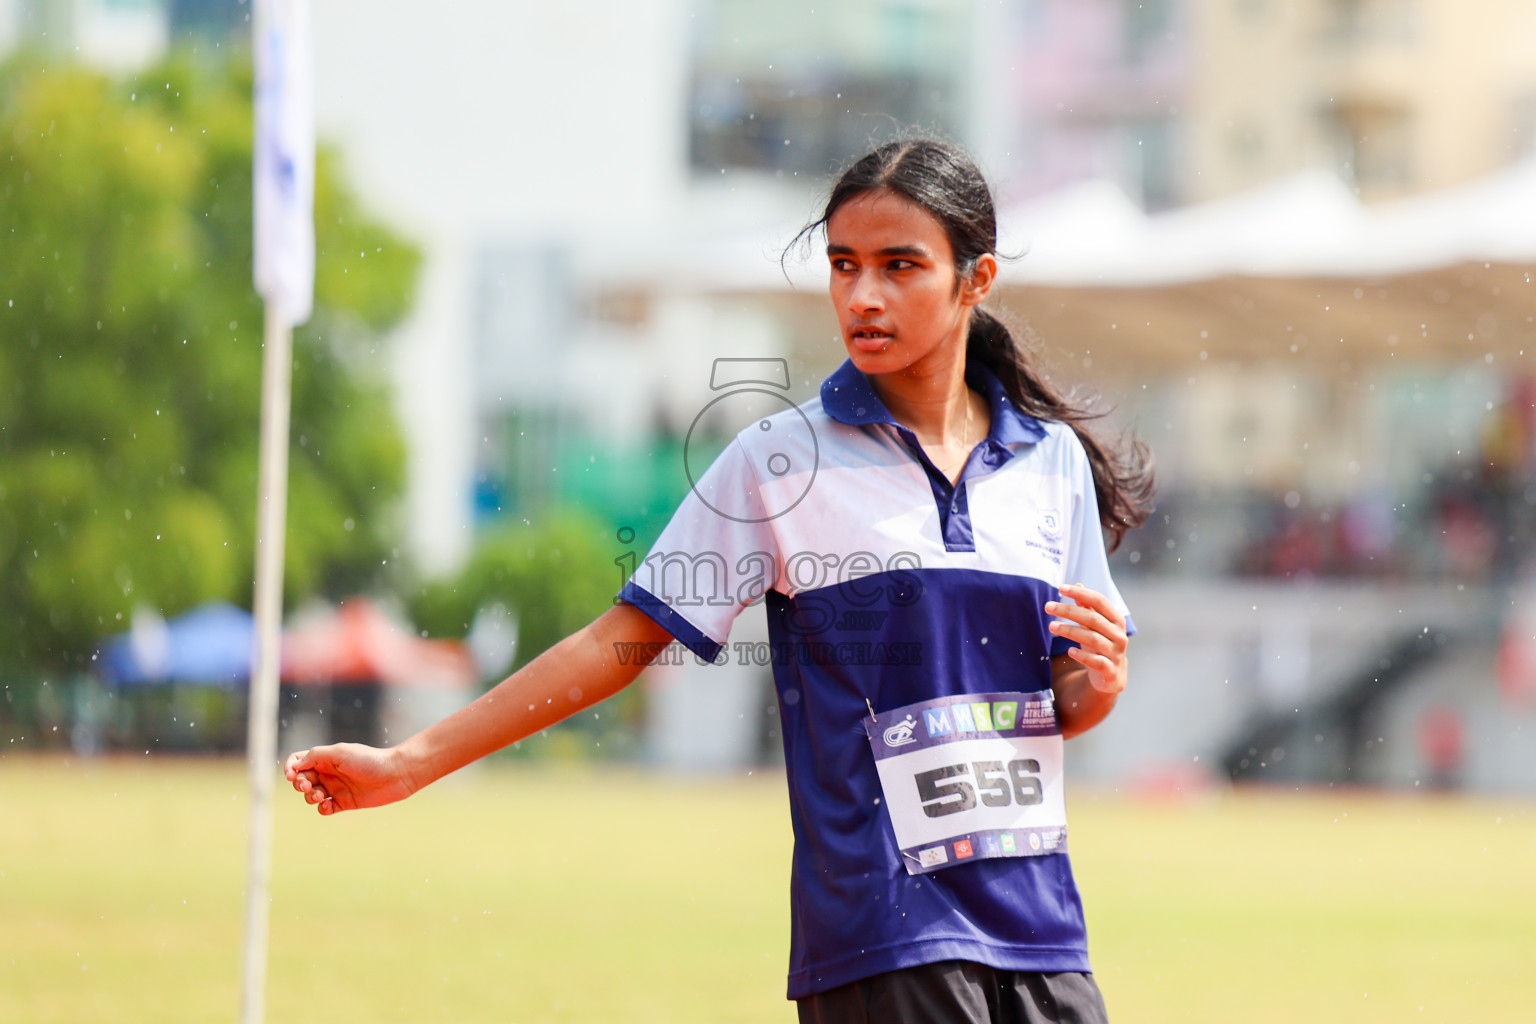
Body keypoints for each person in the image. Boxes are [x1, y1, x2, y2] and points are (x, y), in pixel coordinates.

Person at [286, 137, 1154, 1024]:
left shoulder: (1050, 465)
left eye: (901, 266)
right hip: (884, 933)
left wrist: (1099, 683)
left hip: (1042, 932)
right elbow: (616, 644)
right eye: (844, 265)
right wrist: (409, 762)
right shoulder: (780, 461)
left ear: (976, 281)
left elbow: (1063, 701)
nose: (863, 296)